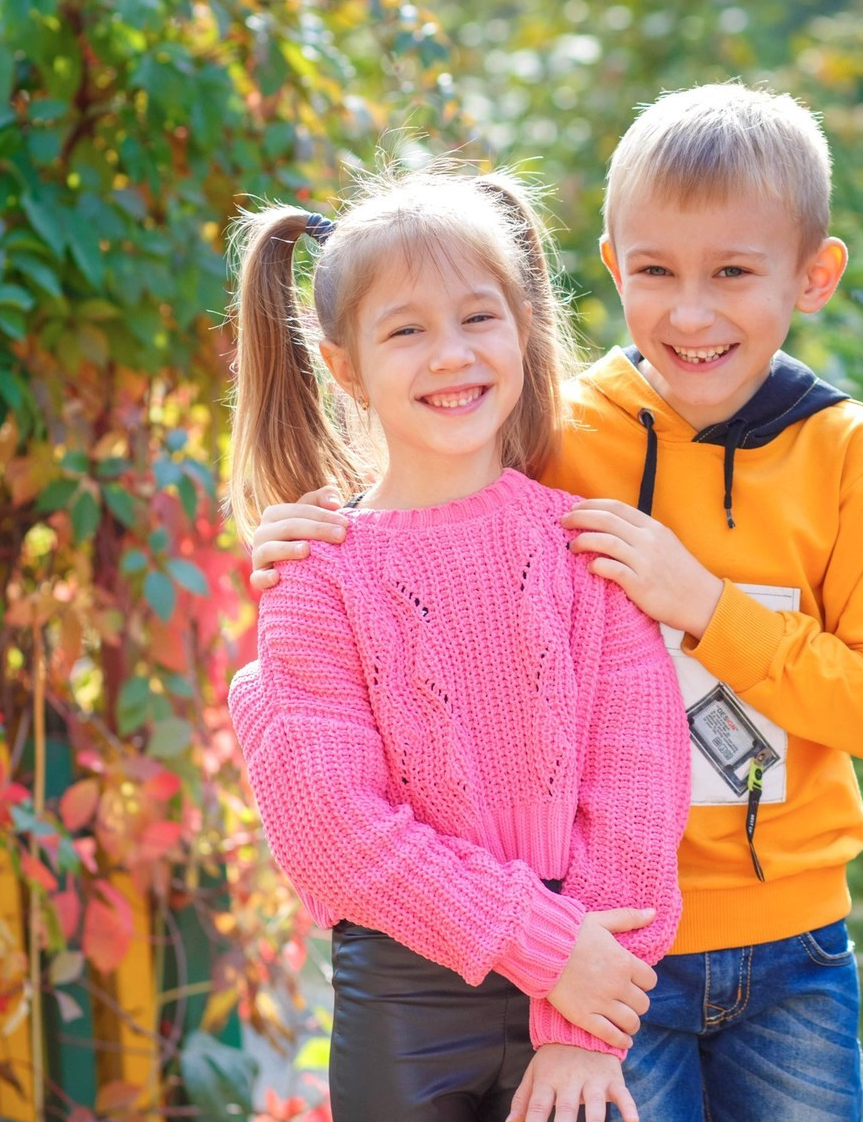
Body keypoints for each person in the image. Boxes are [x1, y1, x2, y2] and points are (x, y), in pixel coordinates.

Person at [247, 83, 863, 1122]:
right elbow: (425, 516)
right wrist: (285, 561)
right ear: (612, 268)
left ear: (812, 273)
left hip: (786, 943)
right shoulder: (562, 431)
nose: (690, 313)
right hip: (599, 945)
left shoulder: (851, 455)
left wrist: (700, 601)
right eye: (655, 271)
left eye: (732, 273)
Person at [225, 163, 691, 1122]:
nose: (451, 356)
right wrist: (541, 946)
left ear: (523, 326)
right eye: (406, 330)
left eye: (479, 318)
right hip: (408, 996)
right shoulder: (317, 577)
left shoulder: (582, 550)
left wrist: (578, 1027)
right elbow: (334, 836)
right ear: (345, 363)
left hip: (589, 987)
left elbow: (640, 796)